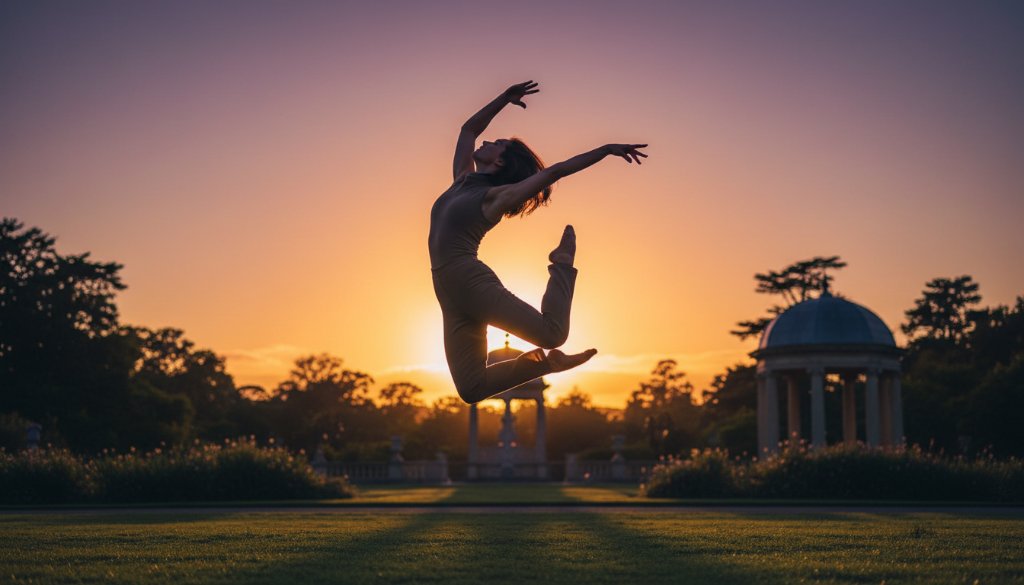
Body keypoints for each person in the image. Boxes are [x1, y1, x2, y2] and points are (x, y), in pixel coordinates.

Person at [429, 80, 647, 404]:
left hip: (467, 278)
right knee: (471, 389)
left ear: (500, 162)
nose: (488, 140)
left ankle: (562, 264)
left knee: (553, 333)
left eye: (497, 142)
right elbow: (468, 129)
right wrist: (504, 98)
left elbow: (554, 172)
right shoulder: (462, 180)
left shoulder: (494, 197)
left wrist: (604, 150)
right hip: (446, 287)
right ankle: (544, 365)